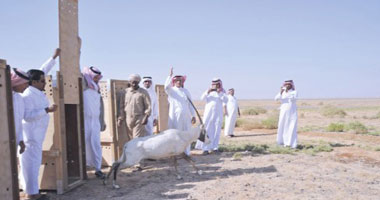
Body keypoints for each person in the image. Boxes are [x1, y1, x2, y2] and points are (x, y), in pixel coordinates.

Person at [20, 48, 60, 199]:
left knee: (32, 165)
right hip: (31, 138)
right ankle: (32, 194)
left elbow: (43, 70)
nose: (45, 83)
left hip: (36, 137)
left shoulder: (35, 89)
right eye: (43, 81)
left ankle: (30, 191)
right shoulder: (28, 95)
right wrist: (46, 110)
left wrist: (53, 57)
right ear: (35, 82)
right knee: (31, 166)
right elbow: (27, 116)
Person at [164, 68, 196, 156]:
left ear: (182, 82)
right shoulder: (171, 90)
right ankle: (176, 152)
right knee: (176, 134)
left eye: (180, 80)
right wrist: (170, 76)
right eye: (177, 80)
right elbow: (166, 86)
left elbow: (190, 104)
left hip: (186, 116)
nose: (179, 82)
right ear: (174, 81)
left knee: (186, 134)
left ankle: (186, 152)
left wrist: (193, 115)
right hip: (175, 116)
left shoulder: (186, 91)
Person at [82, 66, 106, 179]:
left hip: (95, 121)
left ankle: (98, 169)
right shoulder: (83, 86)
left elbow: (101, 107)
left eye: (98, 78)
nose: (97, 80)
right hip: (84, 121)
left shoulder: (97, 89)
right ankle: (83, 170)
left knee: (96, 144)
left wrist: (102, 121)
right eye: (95, 77)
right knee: (84, 145)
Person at [195, 78, 227, 155]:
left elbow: (225, 100)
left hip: (217, 115)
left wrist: (219, 93)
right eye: (214, 84)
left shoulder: (223, 92)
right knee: (206, 130)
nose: (215, 85)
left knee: (217, 131)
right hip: (208, 115)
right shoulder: (209, 91)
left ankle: (215, 148)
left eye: (217, 84)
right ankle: (205, 149)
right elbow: (202, 98)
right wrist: (208, 91)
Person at [118, 74, 151, 138]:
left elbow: (148, 105)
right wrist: (120, 118)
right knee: (130, 139)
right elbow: (121, 106)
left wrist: (146, 116)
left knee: (137, 139)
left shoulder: (143, 92)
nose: (134, 84)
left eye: (136, 82)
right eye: (133, 82)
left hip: (139, 118)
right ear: (130, 82)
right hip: (128, 118)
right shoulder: (125, 92)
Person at [275, 80, 298, 148]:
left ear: (291, 85)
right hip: (283, 111)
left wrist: (288, 92)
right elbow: (276, 98)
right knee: (282, 125)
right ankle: (281, 142)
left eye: (289, 84)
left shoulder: (294, 92)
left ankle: (290, 143)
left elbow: (293, 99)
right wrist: (281, 92)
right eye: (286, 84)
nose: (287, 85)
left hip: (292, 112)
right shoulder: (282, 92)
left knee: (291, 126)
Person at [10, 68, 29, 154]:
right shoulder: (4, 96)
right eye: (25, 84)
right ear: (18, 82)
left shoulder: (19, 98)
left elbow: (18, 121)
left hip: (13, 142)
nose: (26, 87)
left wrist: (20, 140)